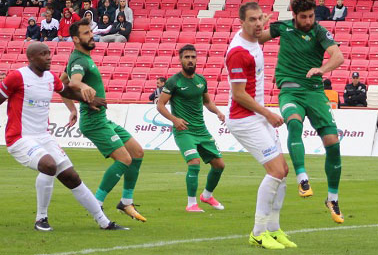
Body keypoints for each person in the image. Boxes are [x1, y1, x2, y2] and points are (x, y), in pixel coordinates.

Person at [1, 42, 127, 231]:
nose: (49, 57)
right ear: (32, 58)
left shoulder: (51, 78)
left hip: (44, 136)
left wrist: (88, 99)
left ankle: (104, 222)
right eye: (43, 54)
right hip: (20, 138)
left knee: (72, 177)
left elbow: (66, 91)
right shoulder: (17, 77)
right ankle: (41, 219)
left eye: (49, 53)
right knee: (49, 165)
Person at [259, 0, 346, 223]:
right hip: (290, 91)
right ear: (293, 14)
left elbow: (338, 56)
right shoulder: (283, 28)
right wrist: (257, 25)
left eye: (311, 16)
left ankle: (333, 198)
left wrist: (322, 68)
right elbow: (257, 38)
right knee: (294, 123)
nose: (308, 20)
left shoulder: (319, 31)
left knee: (333, 144)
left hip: (315, 92)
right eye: (304, 17)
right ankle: (302, 177)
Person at [225, 3, 296, 249]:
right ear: (241, 22)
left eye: (260, 20)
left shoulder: (253, 38)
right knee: (275, 171)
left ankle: (274, 230)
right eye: (252, 20)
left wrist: (263, 20)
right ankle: (257, 232)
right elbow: (239, 95)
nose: (258, 24)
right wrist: (269, 113)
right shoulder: (237, 52)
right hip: (244, 119)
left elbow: (260, 27)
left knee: (283, 171)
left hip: (256, 116)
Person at [62, 20, 146, 221]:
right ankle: (97, 205)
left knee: (137, 152)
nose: (91, 35)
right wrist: (82, 89)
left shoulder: (80, 58)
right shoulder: (80, 61)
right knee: (125, 159)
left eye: (90, 31)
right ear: (75, 39)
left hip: (102, 118)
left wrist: (72, 108)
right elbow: (73, 82)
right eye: (85, 33)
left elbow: (61, 84)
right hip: (94, 121)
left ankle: (126, 202)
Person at [156, 45, 226, 212]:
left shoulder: (201, 80)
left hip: (201, 130)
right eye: (186, 57)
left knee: (219, 165)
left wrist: (218, 112)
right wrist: (174, 120)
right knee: (194, 163)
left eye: (193, 57)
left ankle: (207, 196)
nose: (190, 60)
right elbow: (160, 105)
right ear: (180, 60)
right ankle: (191, 204)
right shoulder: (174, 81)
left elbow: (207, 101)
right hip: (184, 130)